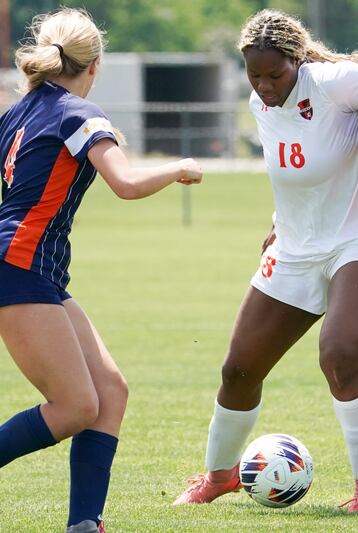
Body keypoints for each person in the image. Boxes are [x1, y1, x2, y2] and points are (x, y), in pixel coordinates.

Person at [173, 9, 358, 512]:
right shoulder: (260, 103)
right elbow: (295, 176)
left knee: (339, 355)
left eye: (274, 74)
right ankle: (220, 476)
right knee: (238, 370)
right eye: (254, 75)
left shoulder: (331, 81)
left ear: (298, 60)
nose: (263, 85)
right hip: (293, 248)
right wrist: (277, 223)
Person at [0, 8, 203, 533]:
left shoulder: (17, 114)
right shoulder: (80, 114)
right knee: (73, 407)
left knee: (109, 392)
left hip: (31, 268)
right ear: (94, 66)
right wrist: (180, 167)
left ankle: (84, 524)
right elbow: (126, 184)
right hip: (20, 265)